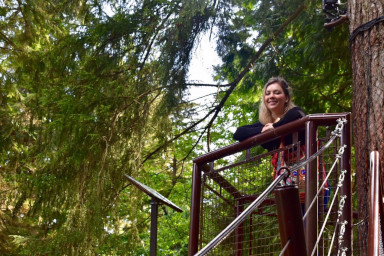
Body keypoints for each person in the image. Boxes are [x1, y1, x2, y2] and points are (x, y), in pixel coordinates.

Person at [233, 77, 307, 202]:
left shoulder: (294, 113)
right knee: (288, 221)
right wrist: (262, 131)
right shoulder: (264, 124)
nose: (271, 96)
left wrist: (274, 128)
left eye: (277, 92)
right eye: (268, 93)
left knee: (308, 221)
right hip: (286, 186)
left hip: (309, 182)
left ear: (287, 98)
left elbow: (297, 115)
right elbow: (238, 133)